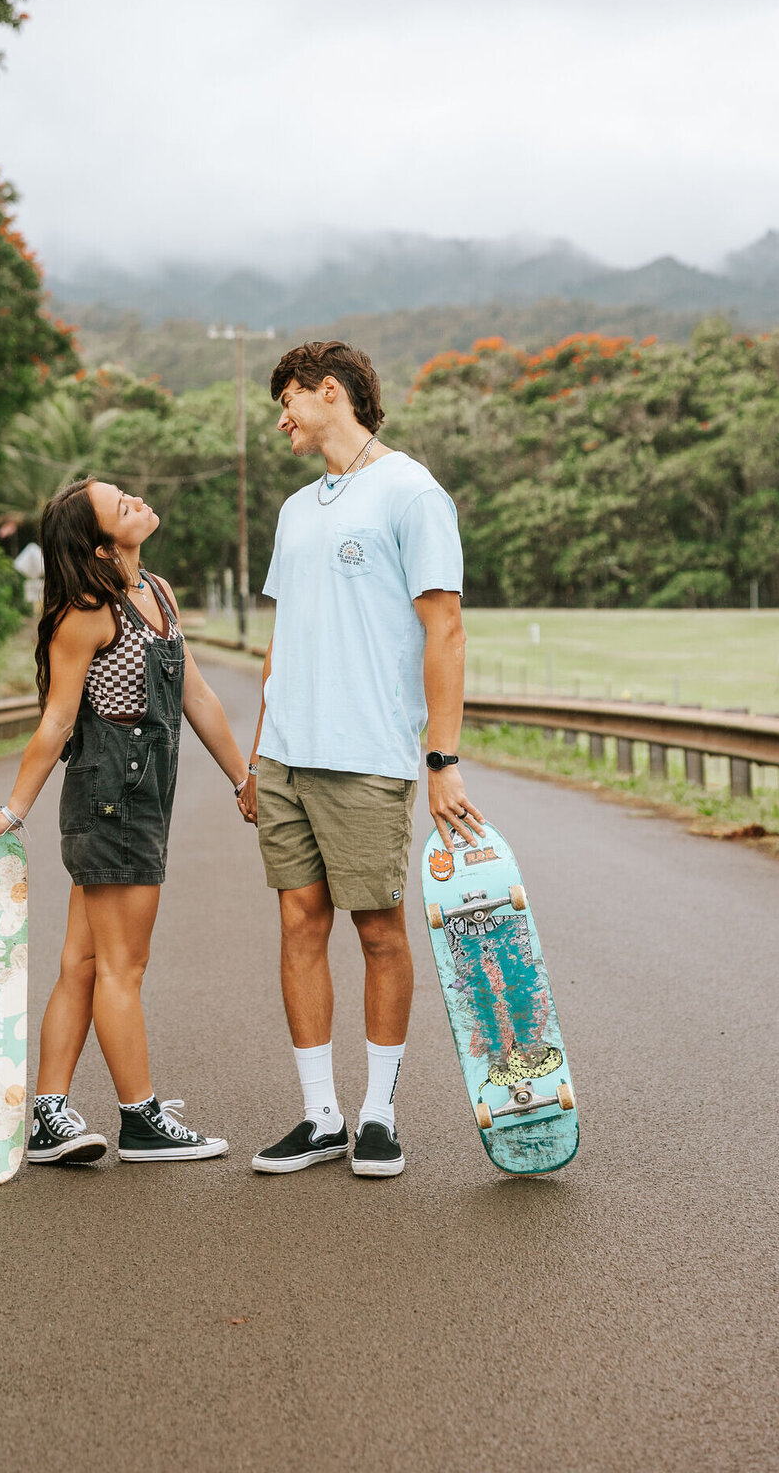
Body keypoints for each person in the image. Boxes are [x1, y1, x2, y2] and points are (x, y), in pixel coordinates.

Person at [240, 341, 484, 1179]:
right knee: (298, 923)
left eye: (290, 401)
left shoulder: (412, 492)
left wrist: (441, 757)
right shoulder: (297, 509)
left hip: (368, 754)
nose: (283, 419)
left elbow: (443, 627)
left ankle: (378, 1115)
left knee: (378, 928)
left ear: (331, 393)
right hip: (286, 757)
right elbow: (283, 643)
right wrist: (255, 753)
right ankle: (319, 1117)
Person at [0, 476, 255, 1167]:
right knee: (123, 967)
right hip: (111, 799)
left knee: (84, 961)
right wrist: (13, 811)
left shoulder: (156, 593)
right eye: (119, 505)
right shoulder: (87, 612)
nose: (135, 501)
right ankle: (141, 1119)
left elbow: (199, 694)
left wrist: (243, 777)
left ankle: (47, 1115)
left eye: (127, 493)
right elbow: (59, 720)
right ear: (101, 544)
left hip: (142, 796)